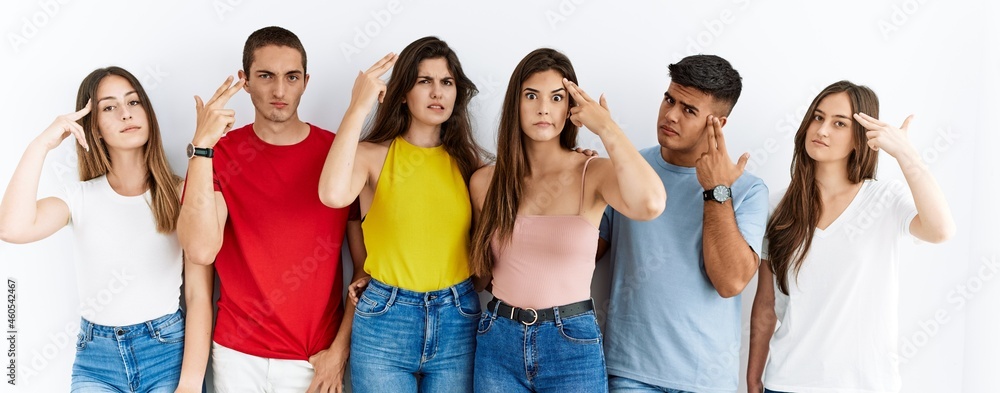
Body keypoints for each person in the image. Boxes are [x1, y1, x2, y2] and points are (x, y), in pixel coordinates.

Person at [0, 66, 213, 392]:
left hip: (166, 353)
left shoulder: (182, 193)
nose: (126, 114)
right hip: (96, 360)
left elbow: (199, 297)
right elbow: (13, 228)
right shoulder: (79, 197)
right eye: (109, 107)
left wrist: (189, 384)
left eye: (133, 102)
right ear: (94, 127)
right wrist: (41, 144)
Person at [177, 26, 364, 393]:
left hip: (314, 360)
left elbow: (365, 268)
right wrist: (201, 147)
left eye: (291, 77)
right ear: (245, 81)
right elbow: (199, 250)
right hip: (236, 356)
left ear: (305, 82)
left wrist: (339, 352)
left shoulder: (338, 156)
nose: (279, 91)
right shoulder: (220, 154)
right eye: (266, 76)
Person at [468, 48, 665, 392]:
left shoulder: (593, 172)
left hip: (570, 341)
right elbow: (479, 273)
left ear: (570, 108)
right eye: (531, 95)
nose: (544, 108)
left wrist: (606, 127)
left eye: (556, 97)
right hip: (498, 338)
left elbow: (650, 204)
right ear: (516, 102)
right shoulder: (486, 181)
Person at [747, 81, 955, 393]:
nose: (822, 130)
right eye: (818, 117)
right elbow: (765, 303)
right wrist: (753, 378)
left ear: (861, 138)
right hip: (787, 383)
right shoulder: (777, 206)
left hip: (865, 385)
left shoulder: (884, 200)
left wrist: (904, 153)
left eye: (839, 123)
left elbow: (941, 231)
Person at [318, 36, 487, 393]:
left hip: (458, 320)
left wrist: (575, 158)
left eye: (447, 82)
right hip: (385, 321)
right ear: (404, 92)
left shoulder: (470, 165)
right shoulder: (372, 156)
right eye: (424, 81)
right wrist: (357, 106)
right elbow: (332, 194)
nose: (437, 93)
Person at [595, 54, 768, 393]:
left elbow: (730, 282)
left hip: (706, 380)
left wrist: (716, 192)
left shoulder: (748, 189)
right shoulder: (629, 170)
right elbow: (580, 256)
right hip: (631, 374)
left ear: (717, 123)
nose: (670, 115)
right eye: (669, 99)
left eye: (689, 110)